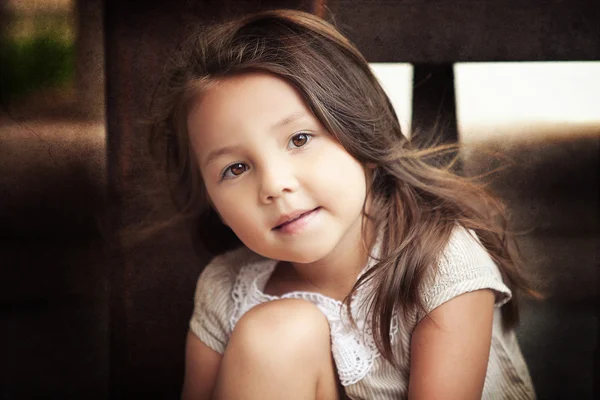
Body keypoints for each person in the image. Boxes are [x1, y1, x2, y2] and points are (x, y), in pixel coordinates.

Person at [147, 9, 538, 400]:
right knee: (277, 333)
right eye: (235, 168)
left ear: (360, 133)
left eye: (299, 139)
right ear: (212, 202)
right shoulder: (227, 286)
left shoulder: (441, 264)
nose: (274, 185)